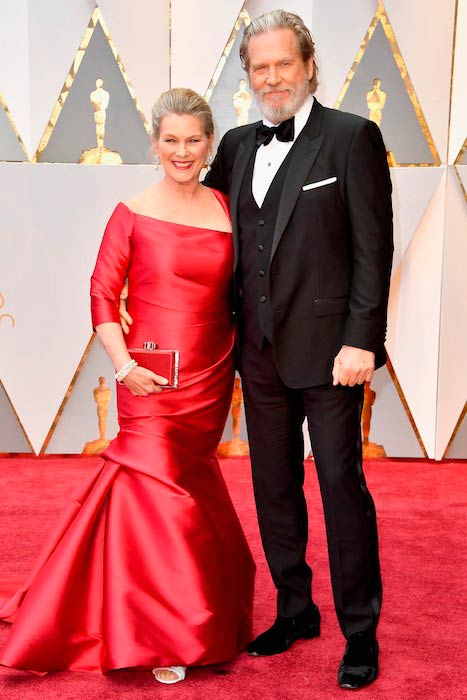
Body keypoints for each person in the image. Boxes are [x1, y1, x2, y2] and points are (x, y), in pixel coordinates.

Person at [0, 88, 255, 685]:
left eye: (194, 140)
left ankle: (187, 609)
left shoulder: (227, 208)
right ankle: (165, 630)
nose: (182, 151)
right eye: (171, 139)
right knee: (159, 492)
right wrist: (123, 366)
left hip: (211, 373)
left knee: (191, 486)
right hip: (147, 374)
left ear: (209, 143)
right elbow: (101, 294)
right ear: (154, 143)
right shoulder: (131, 211)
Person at [205, 9, 393, 690]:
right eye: (260, 67)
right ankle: (294, 609)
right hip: (254, 351)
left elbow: (374, 250)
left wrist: (360, 341)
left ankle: (360, 631)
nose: (272, 77)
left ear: (308, 64)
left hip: (330, 353)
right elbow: (209, 236)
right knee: (273, 488)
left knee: (342, 488)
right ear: (247, 76)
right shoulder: (232, 146)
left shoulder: (351, 138)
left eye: (284, 63)